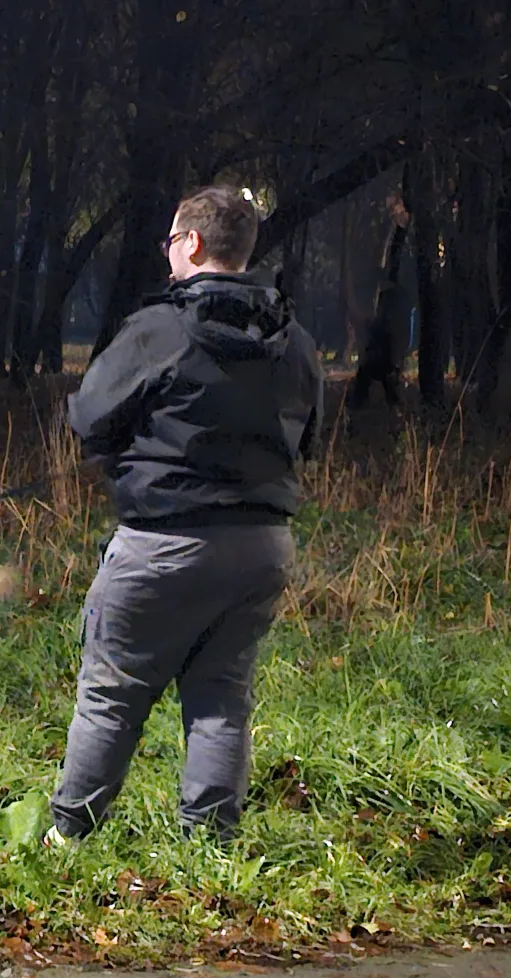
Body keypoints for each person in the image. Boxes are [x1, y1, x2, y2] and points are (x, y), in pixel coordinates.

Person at [48, 185, 324, 847]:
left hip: (163, 543)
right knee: (221, 696)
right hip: (261, 547)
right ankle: (209, 848)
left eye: (172, 241)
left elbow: (89, 416)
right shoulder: (294, 340)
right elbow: (307, 437)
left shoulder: (161, 328)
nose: (168, 253)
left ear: (192, 243)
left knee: (113, 690)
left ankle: (68, 838)